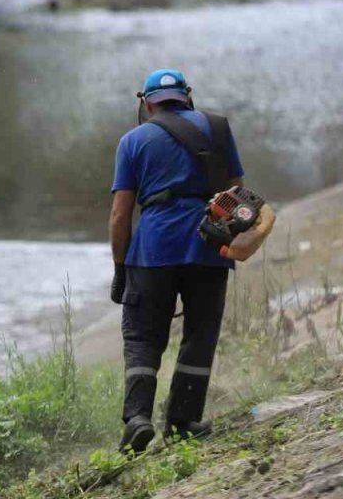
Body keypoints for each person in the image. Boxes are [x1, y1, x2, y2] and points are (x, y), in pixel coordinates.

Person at [108, 68, 244, 454]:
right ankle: (182, 422)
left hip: (153, 249)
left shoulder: (133, 141)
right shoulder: (217, 129)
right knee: (200, 332)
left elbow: (120, 216)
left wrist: (121, 269)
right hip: (207, 245)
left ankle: (137, 419)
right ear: (187, 96)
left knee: (142, 336)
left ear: (146, 102)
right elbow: (237, 194)